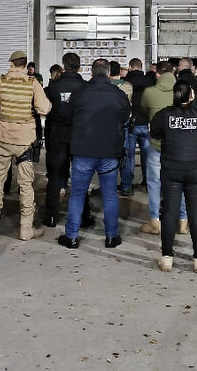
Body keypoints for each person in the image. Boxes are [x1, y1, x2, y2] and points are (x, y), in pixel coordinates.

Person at [58, 59, 131, 249]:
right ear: (108, 73)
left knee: (77, 194)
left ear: (91, 72)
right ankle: (111, 237)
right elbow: (125, 117)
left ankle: (71, 237)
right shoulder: (118, 94)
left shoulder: (79, 93)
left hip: (83, 151)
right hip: (110, 151)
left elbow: (68, 116)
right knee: (110, 195)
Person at [0, 50, 51, 240]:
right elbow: (44, 108)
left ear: (11, 63)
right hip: (25, 143)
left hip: (2, 140)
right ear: (25, 65)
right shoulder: (32, 83)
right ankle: (26, 229)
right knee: (26, 185)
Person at [153, 80, 197, 273]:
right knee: (195, 213)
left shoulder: (164, 115)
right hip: (196, 169)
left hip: (171, 169)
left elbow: (154, 133)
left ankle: (167, 257)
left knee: (170, 212)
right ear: (192, 95)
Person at [139, 61, 188, 235]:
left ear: (157, 74)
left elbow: (145, 110)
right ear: (174, 73)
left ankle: (155, 221)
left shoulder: (149, 92)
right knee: (179, 183)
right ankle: (183, 221)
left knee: (154, 183)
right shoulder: (183, 91)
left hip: (157, 144)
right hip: (179, 146)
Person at [43, 53, 88, 228]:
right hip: (78, 136)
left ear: (63, 66)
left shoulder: (52, 88)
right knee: (80, 176)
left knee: (55, 176)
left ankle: (51, 216)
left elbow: (44, 110)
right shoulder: (85, 88)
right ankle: (84, 215)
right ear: (79, 67)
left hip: (56, 135)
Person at [123, 58, 154, 193]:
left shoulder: (126, 81)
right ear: (141, 67)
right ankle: (147, 183)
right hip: (145, 123)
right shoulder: (149, 81)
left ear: (130, 67)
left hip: (131, 123)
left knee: (129, 156)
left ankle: (127, 186)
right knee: (147, 155)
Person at [108, 61, 135, 195]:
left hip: (108, 125)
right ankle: (126, 185)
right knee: (126, 156)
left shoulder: (106, 86)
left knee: (109, 156)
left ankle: (109, 185)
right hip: (124, 124)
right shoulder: (128, 86)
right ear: (120, 71)